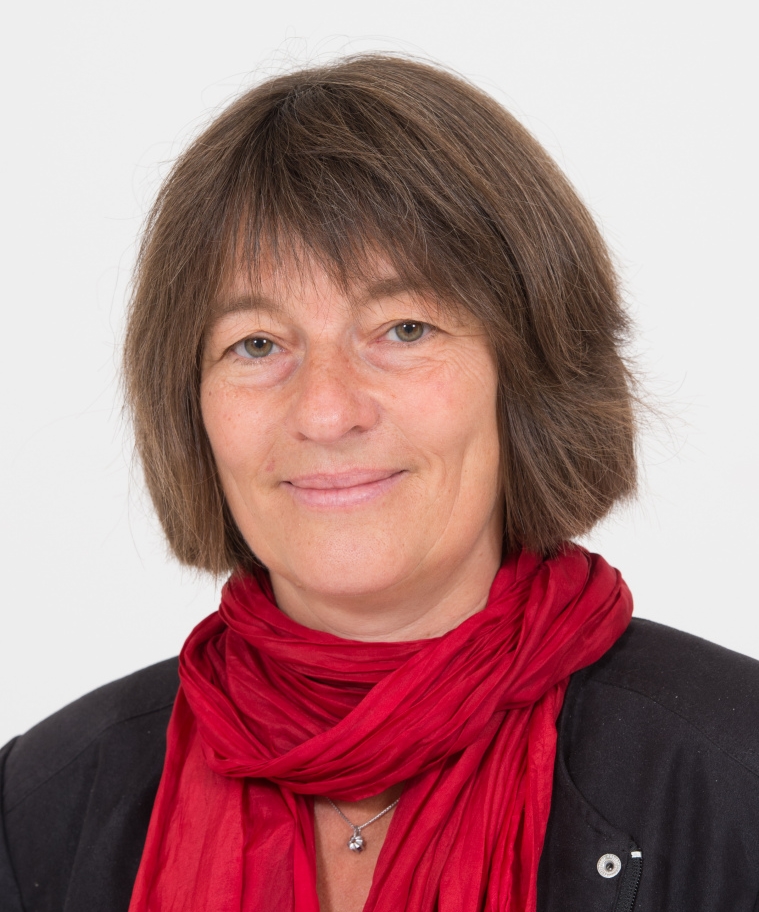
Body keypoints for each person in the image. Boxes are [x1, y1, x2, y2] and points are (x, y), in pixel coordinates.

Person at [1, 54, 758, 912]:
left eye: (403, 329)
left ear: (528, 370)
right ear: (190, 406)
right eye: (257, 344)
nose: (326, 412)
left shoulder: (736, 776)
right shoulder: (42, 807)